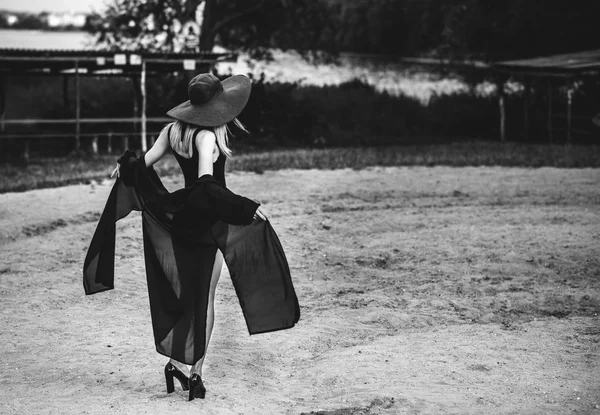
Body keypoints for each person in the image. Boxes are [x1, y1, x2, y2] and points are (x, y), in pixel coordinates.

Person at [83, 73, 300, 401]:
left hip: (183, 221)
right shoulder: (207, 138)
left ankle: (176, 366)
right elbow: (207, 188)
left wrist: (125, 168)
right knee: (205, 299)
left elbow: (143, 164)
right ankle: (195, 372)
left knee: (192, 297)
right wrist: (244, 208)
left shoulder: (173, 131)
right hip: (207, 223)